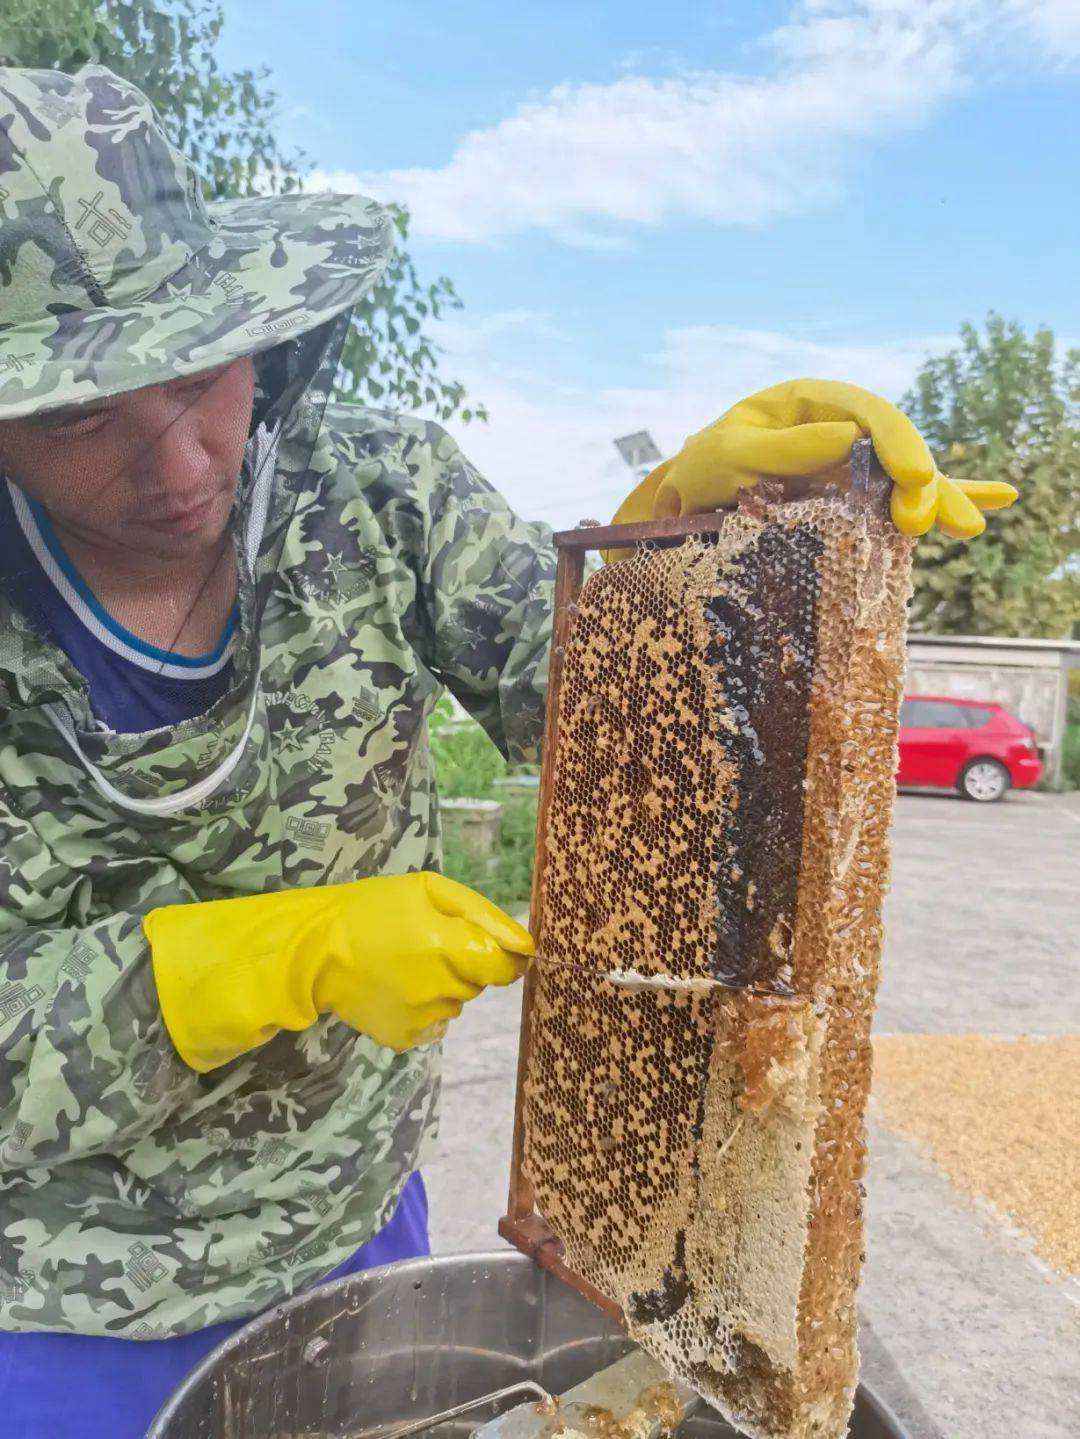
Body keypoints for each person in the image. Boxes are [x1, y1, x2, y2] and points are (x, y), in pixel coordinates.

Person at [0, 65, 1015, 1439]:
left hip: (352, 1228)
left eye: (198, 371)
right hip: (58, 1309)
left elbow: (629, 738)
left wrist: (691, 548)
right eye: (80, 414)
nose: (178, 457)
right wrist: (247, 959)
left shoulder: (377, 489)